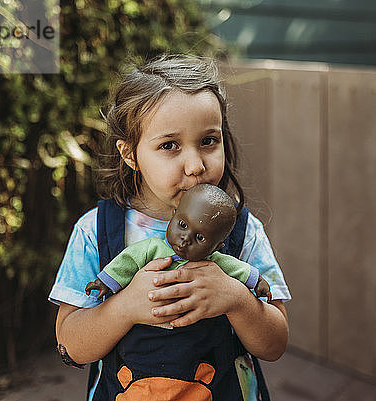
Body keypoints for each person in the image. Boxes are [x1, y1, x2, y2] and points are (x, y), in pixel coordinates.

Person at [48, 54, 291, 401]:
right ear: (130, 154)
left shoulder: (243, 232)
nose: (195, 166)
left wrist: (237, 300)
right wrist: (124, 306)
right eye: (169, 146)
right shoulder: (95, 231)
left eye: (209, 141)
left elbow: (275, 343)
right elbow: (69, 345)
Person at [85, 184, 272, 303]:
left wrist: (258, 282)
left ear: (216, 247)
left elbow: (239, 269)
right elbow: (127, 262)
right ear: (173, 216)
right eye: (182, 225)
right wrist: (105, 282)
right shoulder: (152, 248)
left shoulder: (215, 263)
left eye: (200, 238)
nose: (186, 238)